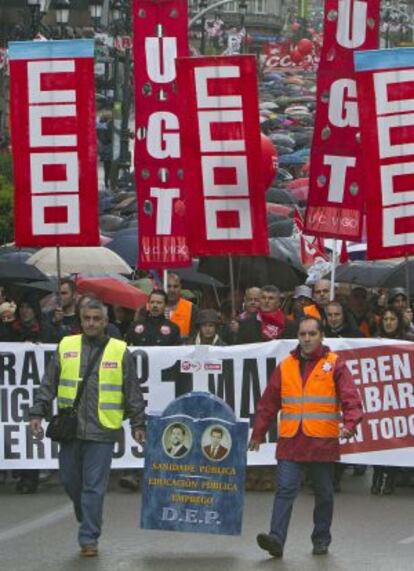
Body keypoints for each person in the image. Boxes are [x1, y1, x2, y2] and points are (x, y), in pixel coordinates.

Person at [29, 299, 145, 557]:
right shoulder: (66, 346)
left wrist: (138, 423)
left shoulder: (119, 349)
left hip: (103, 430)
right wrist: (38, 411)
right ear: (81, 321)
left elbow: (132, 390)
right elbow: (49, 383)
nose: (91, 323)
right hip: (70, 429)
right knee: (71, 482)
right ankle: (87, 513)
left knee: (94, 487)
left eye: (96, 318)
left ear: (105, 321)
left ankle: (88, 537)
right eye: (87, 318)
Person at [249, 316, 363, 558]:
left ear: (321, 336)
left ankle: (321, 539)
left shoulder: (335, 364)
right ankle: (276, 539)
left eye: (312, 334)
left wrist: (351, 423)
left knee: (324, 493)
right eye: (303, 334)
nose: (307, 338)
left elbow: (351, 399)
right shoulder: (286, 365)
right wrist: (258, 432)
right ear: (298, 337)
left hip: (321, 440)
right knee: (285, 490)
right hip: (291, 439)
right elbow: (268, 402)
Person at [371, 308, 407, 495]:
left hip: (400, 397)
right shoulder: (374, 341)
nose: (388, 322)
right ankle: (377, 477)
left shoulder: (408, 341)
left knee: (395, 440)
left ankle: (390, 477)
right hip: (381, 396)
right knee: (380, 440)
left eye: (392, 319)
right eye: (385, 319)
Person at [166, 273, 198, 339]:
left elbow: (195, 335)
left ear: (181, 287)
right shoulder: (153, 308)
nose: (172, 290)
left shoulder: (191, 308)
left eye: (175, 286)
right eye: (168, 286)